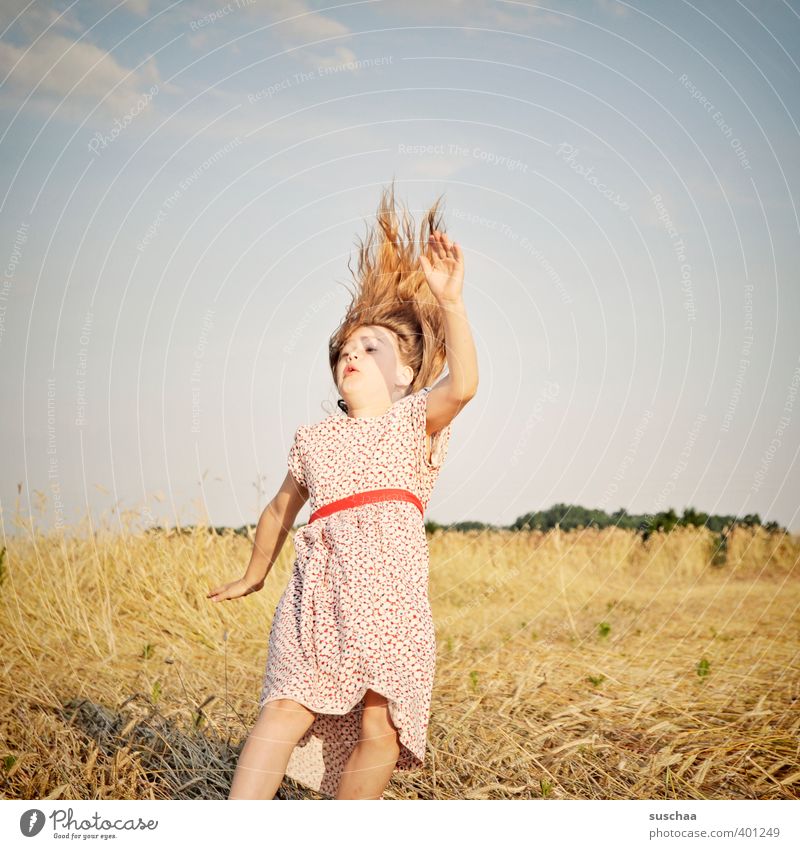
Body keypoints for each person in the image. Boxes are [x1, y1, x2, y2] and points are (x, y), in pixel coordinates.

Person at [207, 182, 479, 799]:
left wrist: (452, 303)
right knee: (284, 707)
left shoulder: (414, 425)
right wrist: (254, 573)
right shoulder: (314, 438)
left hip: (390, 604)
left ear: (407, 373)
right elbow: (280, 508)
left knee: (380, 728)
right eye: (344, 350)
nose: (351, 353)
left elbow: (462, 386)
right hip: (316, 601)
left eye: (370, 346)